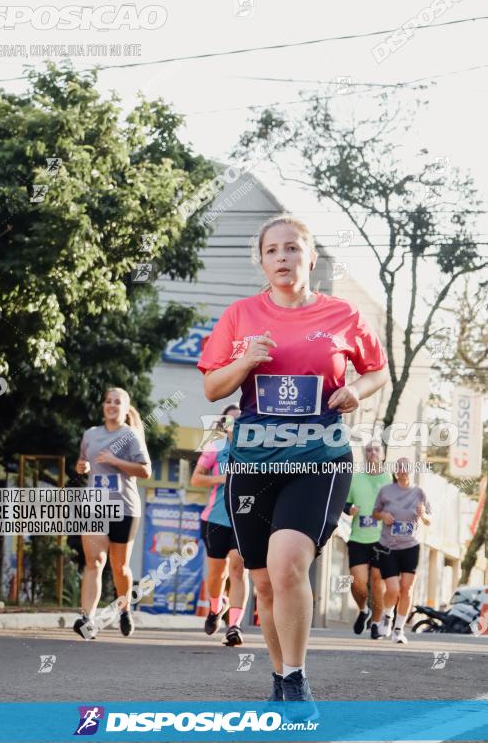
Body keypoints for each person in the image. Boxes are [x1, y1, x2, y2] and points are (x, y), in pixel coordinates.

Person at [197, 214, 389, 705]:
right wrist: (245, 361)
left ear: (311, 257)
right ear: (261, 261)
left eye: (292, 249)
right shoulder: (240, 316)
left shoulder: (341, 315)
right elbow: (214, 386)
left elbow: (377, 372)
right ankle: (281, 678)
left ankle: (298, 678)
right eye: (272, 251)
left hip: (318, 457)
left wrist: (354, 390)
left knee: (287, 566)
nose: (283, 258)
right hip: (253, 461)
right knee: (262, 583)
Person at [73, 387, 152, 639]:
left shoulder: (130, 436)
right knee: (94, 561)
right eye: (108, 401)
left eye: (117, 402)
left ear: (125, 408)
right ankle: (87, 618)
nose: (111, 405)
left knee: (120, 567)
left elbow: (145, 471)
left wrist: (116, 461)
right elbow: (83, 462)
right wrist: (82, 467)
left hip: (125, 507)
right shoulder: (90, 434)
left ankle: (124, 608)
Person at [191, 404, 250, 646]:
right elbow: (196, 478)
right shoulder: (215, 448)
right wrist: (223, 478)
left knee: (238, 568)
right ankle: (217, 607)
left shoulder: (255, 451)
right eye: (230, 421)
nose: (235, 424)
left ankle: (234, 626)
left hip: (244, 520)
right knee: (217, 574)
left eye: (240, 420)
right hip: (215, 520)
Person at [373, 456, 431, 644]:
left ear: (411, 470)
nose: (402, 470)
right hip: (388, 546)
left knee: (406, 589)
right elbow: (374, 513)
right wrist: (383, 515)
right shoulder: (385, 491)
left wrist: (423, 515)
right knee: (393, 588)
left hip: (411, 546)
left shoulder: (419, 492)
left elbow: (430, 519)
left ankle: (398, 630)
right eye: (399, 467)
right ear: (395, 471)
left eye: (405, 467)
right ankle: (387, 615)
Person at [345, 440, 393, 639]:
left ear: (382, 455)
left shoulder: (389, 478)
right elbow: (344, 502)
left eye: (376, 450)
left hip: (382, 539)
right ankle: (363, 610)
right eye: (368, 450)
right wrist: (350, 509)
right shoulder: (355, 478)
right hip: (358, 538)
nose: (372, 452)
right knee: (358, 583)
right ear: (365, 454)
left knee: (377, 581)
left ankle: (376, 623)